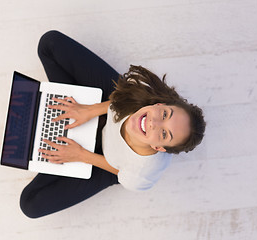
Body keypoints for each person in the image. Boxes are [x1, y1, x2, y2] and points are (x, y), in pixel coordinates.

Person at [20, 30, 206, 218]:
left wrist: (80, 154)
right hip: (113, 106)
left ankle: (65, 115)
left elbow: (120, 172)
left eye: (164, 134)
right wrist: (89, 110)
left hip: (109, 162)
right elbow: (119, 102)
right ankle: (65, 108)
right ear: (160, 104)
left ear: (159, 147)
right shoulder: (145, 96)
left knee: (30, 204)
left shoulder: (142, 174)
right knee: (50, 43)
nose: (154, 122)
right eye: (165, 114)